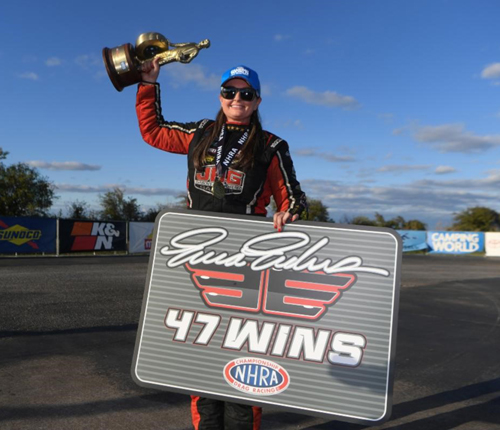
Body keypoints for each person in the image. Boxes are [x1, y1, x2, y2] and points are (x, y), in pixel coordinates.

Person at [136, 58, 308, 430]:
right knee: (200, 351)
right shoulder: (200, 132)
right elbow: (153, 131)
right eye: (230, 92)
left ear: (257, 101)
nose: (237, 99)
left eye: (246, 94)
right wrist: (148, 83)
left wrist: (290, 212)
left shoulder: (271, 145)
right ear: (220, 95)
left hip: (245, 265)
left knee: (244, 353)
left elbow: (293, 198)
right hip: (196, 257)